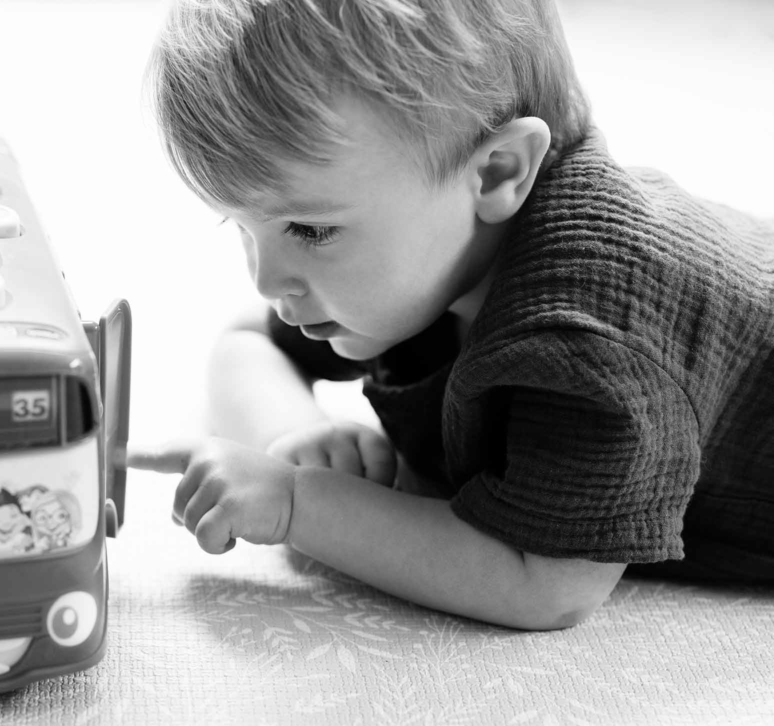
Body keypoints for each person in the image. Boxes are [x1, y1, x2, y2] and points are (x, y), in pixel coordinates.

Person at [130, 0, 774, 630]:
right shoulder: (428, 254)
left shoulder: (586, 339)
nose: (267, 279)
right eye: (242, 227)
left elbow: (544, 584)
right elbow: (244, 342)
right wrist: (294, 439)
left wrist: (297, 501)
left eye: (309, 229)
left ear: (497, 173)